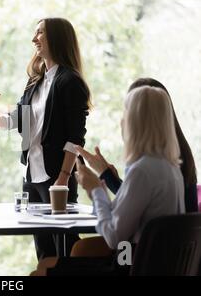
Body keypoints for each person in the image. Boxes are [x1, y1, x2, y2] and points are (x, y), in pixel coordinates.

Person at [32, 86, 185, 275]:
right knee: (68, 256)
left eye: (126, 113)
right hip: (157, 264)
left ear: (134, 122)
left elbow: (114, 237)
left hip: (130, 265)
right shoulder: (171, 168)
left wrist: (97, 191)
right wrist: (102, 179)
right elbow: (124, 218)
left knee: (44, 267)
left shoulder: (141, 171)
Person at [0, 18, 91, 259]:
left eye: (40, 33)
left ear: (57, 38)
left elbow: (75, 138)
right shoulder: (36, 81)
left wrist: (63, 179)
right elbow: (18, 117)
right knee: (44, 250)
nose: (34, 39)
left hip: (57, 178)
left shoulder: (70, 82)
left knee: (64, 248)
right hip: (32, 176)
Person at [77, 78, 198, 212]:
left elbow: (117, 228)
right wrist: (109, 176)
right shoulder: (176, 157)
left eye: (129, 109)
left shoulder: (148, 166)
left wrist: (98, 189)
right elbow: (141, 203)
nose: (124, 119)